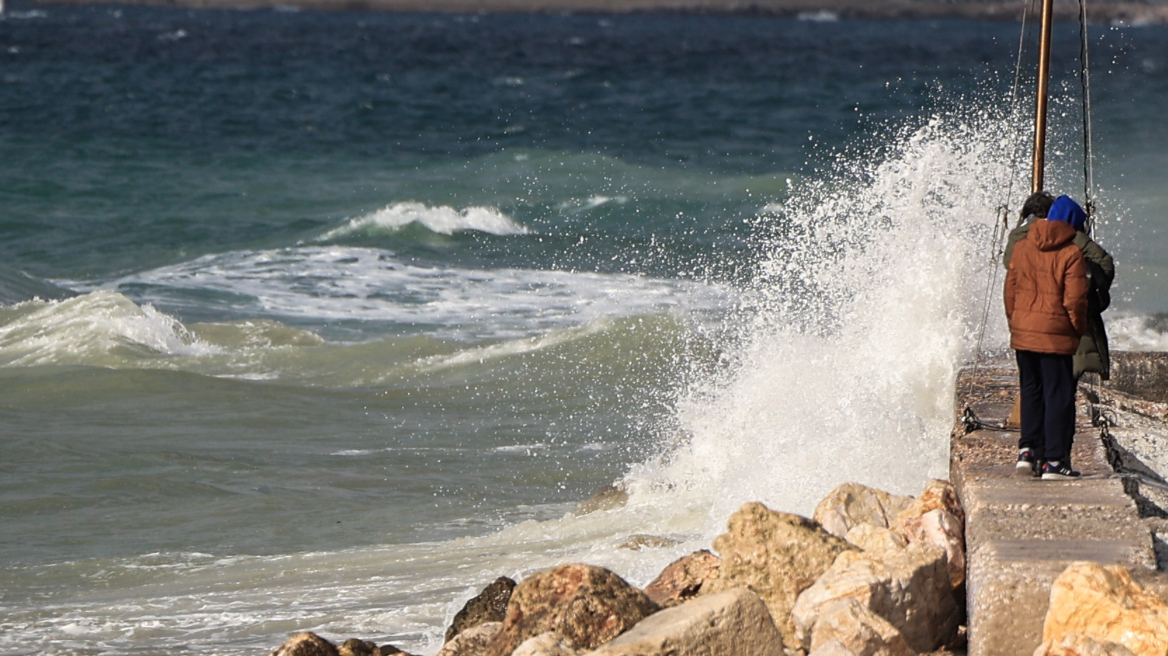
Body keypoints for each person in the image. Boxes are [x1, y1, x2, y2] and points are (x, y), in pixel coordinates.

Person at [1004, 193, 1089, 480]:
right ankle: (1053, 462)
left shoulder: (1022, 246)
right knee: (1058, 395)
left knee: (1031, 391)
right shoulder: (1071, 253)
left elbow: (1010, 291)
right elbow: (1075, 301)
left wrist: (1016, 322)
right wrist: (1076, 330)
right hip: (1055, 337)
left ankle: (1026, 453)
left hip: (1024, 332)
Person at [1004, 194, 1115, 382]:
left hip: (1025, 325)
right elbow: (1104, 265)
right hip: (1060, 327)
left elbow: (1010, 286)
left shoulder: (1018, 240)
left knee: (1033, 387)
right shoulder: (1071, 241)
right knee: (1059, 389)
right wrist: (1096, 297)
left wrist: (1014, 322)